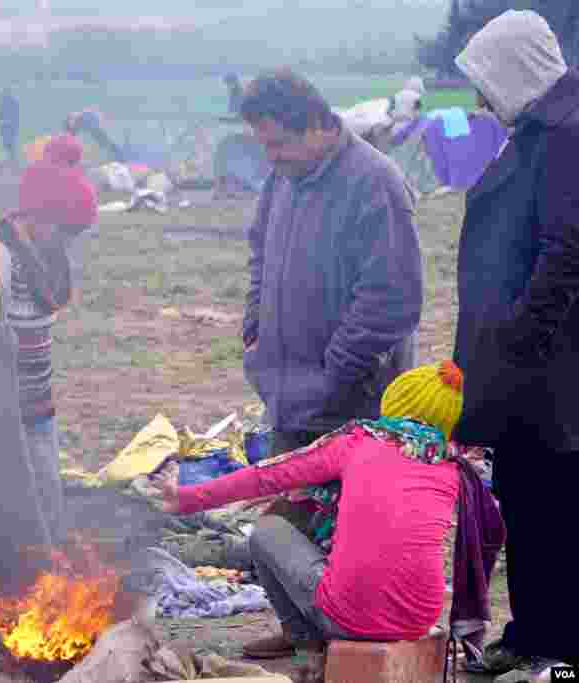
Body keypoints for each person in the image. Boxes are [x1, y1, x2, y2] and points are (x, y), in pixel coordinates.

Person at [154, 362, 505, 683]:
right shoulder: (452, 466)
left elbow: (267, 475)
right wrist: (308, 490)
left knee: (268, 530)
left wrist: (185, 499)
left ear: (397, 400)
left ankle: (307, 648)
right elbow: (389, 495)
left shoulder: (358, 442)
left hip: (348, 618)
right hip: (418, 619)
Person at [237, 69, 423, 656]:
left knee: (341, 535)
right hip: (286, 387)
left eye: (278, 143)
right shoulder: (283, 177)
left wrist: (335, 373)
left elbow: (391, 297)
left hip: (349, 397)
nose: (270, 156)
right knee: (282, 521)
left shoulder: (374, 182)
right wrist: (254, 330)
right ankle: (300, 633)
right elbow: (260, 254)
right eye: (263, 144)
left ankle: (340, 648)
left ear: (316, 125)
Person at [452, 9, 579, 679]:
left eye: (485, 82)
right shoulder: (538, 130)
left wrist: (520, 337)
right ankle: (532, 634)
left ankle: (562, 653)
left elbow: (566, 250)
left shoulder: (567, 135)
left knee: (557, 509)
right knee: (527, 503)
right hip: (526, 374)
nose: (480, 101)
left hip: (552, 371)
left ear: (515, 69)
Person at [0, 134, 97, 600]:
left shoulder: (49, 258)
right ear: (37, 216)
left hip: (37, 400)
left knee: (47, 487)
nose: (68, 241)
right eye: (65, 230)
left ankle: (48, 571)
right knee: (3, 490)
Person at [0, 89, 21, 164]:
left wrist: (0, 121)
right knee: (8, 142)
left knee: (9, 142)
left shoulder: (6, 102)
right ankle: (10, 158)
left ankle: (11, 158)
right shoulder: (5, 102)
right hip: (6, 126)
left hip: (8, 126)